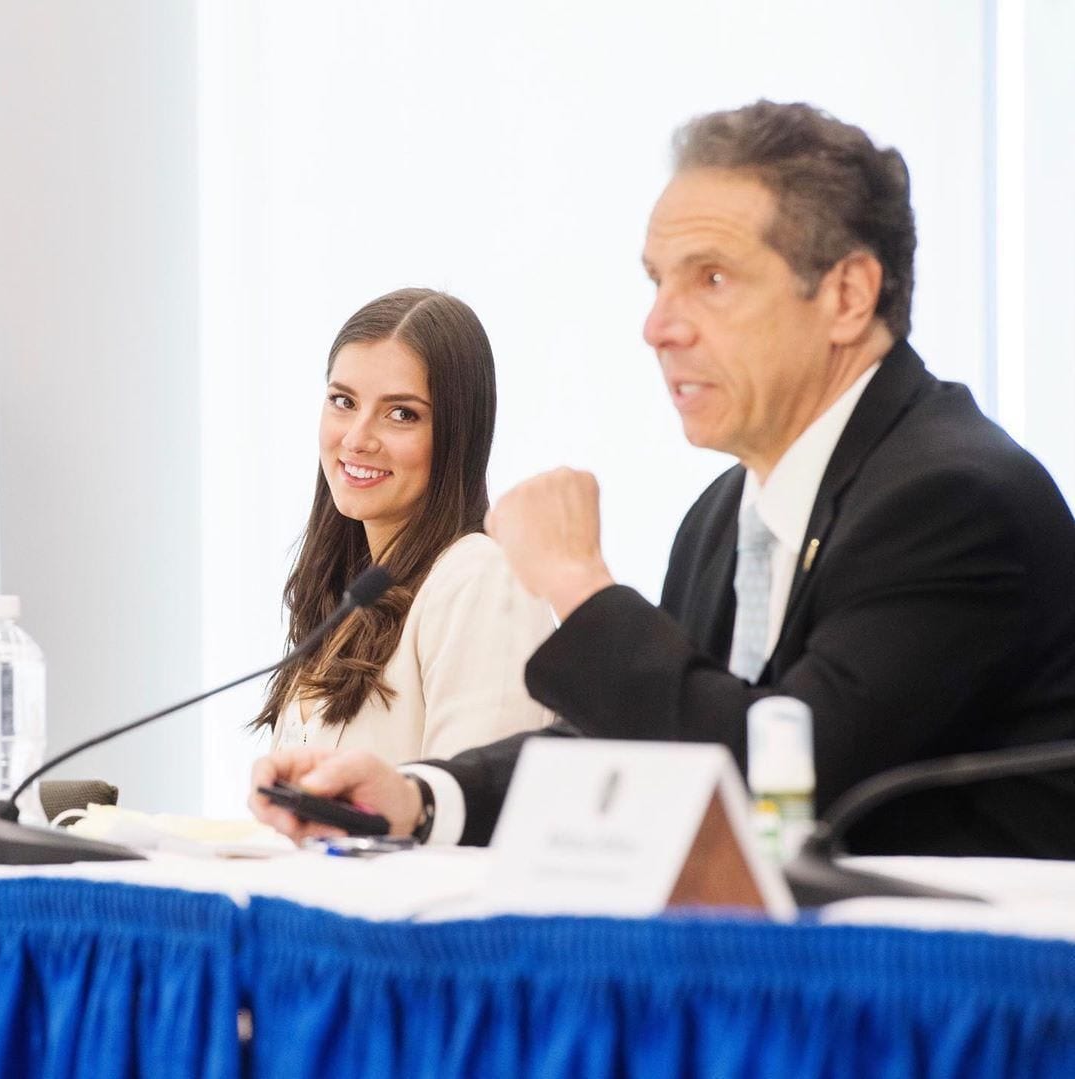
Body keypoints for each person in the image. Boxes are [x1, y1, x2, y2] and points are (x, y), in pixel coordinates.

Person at [250, 103, 1075, 858]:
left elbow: (779, 780)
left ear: (847, 295)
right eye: (656, 281)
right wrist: (420, 799)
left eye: (710, 279)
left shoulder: (951, 498)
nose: (657, 327)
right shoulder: (722, 516)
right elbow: (633, 754)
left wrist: (579, 584)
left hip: (965, 999)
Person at [250, 287, 554, 763]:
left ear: (457, 435)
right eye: (343, 401)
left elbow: (472, 814)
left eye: (401, 414)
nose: (356, 438)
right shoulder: (348, 598)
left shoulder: (481, 579)